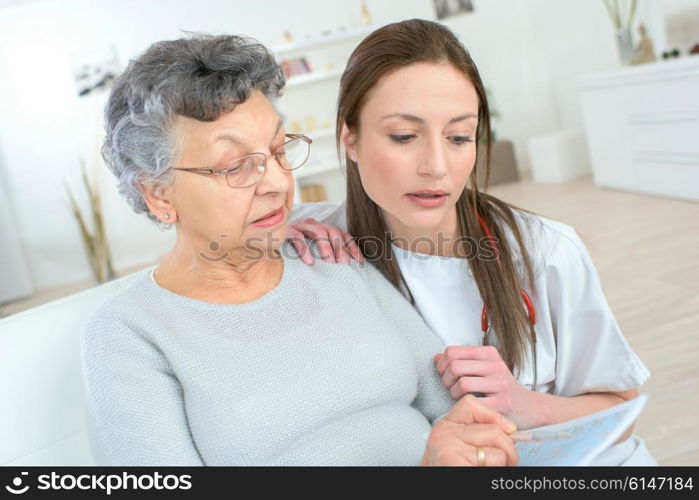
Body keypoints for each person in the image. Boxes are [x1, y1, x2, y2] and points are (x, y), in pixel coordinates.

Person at [81, 33, 520, 466]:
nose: (275, 182)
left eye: (277, 151)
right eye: (235, 166)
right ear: (158, 194)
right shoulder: (131, 334)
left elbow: (450, 406)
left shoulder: (328, 258)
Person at [288, 19, 655, 465]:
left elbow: (622, 409)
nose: (437, 166)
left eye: (459, 137)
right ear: (350, 138)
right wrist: (269, 235)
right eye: (404, 136)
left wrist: (528, 405)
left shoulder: (546, 251)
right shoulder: (313, 240)